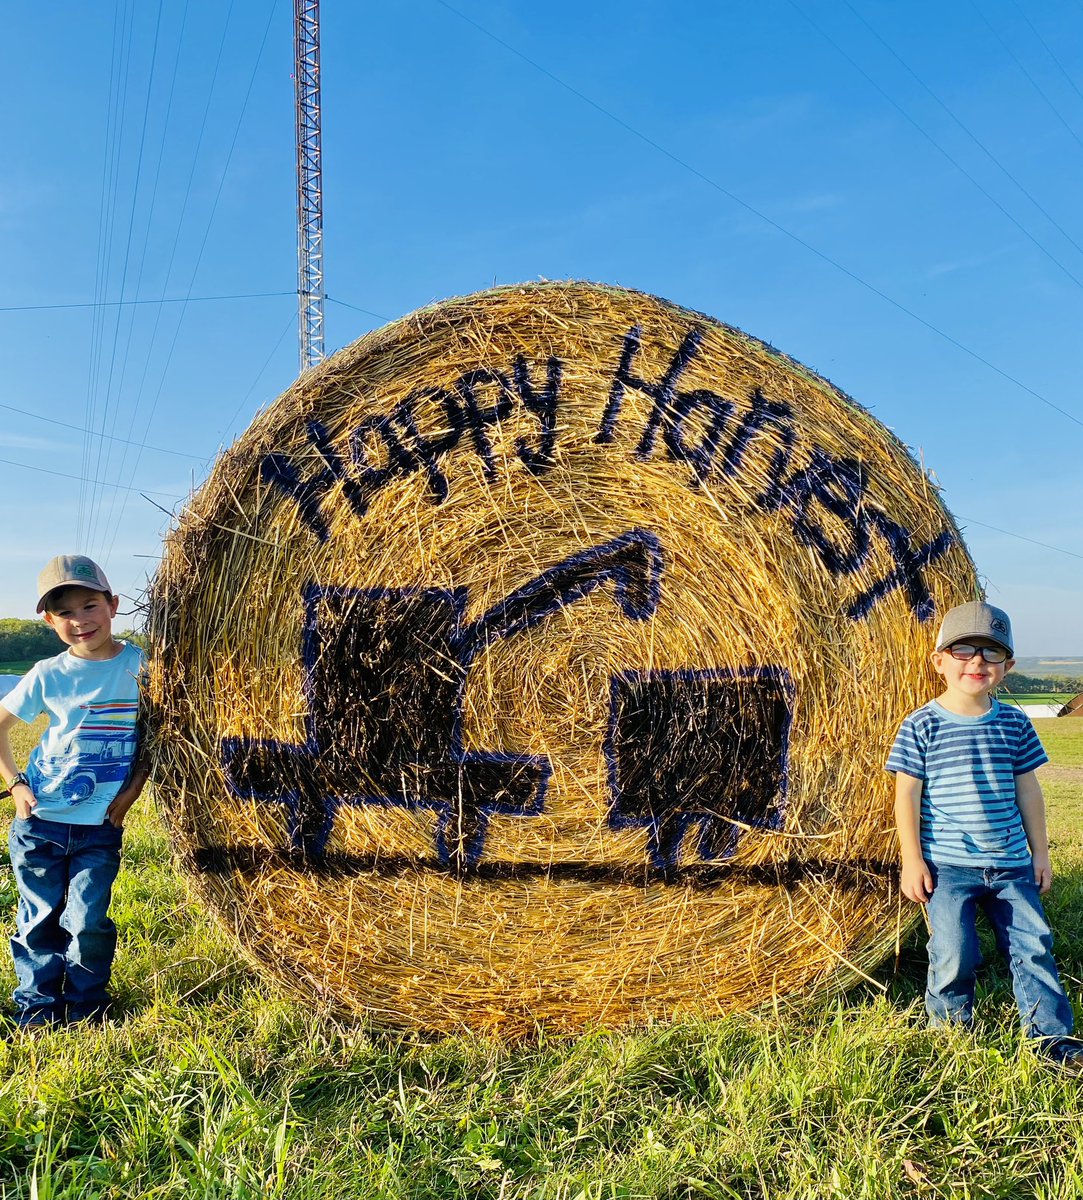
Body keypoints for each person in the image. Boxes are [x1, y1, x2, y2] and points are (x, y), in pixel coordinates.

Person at [888, 599, 1081, 1074]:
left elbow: (1029, 792)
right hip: (948, 866)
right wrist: (912, 859)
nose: (977, 661)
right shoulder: (921, 724)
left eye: (992, 652)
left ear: (1007, 666)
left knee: (1033, 947)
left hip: (1012, 862)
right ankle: (950, 1036)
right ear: (939, 662)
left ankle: (1052, 1041)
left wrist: (1040, 854)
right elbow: (906, 795)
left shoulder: (1015, 723)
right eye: (964, 650)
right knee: (953, 951)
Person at [0, 555, 149, 1028]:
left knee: (88, 923)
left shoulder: (141, 667)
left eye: (90, 606)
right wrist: (16, 784)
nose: (80, 620)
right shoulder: (48, 673)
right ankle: (37, 1009)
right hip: (39, 823)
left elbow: (161, 734)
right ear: (49, 620)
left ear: (113, 605)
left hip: (99, 826)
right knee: (38, 919)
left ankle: (87, 1008)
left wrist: (132, 791)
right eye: (65, 612)